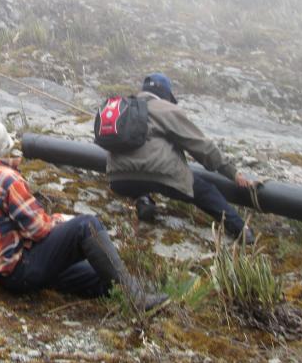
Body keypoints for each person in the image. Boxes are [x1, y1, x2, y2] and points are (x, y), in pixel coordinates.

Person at [0, 119, 167, 311]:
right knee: (87, 225)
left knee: (99, 274)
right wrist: (61, 220)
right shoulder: (7, 179)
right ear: (4, 147)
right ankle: (137, 300)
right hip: (22, 268)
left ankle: (134, 292)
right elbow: (39, 230)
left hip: (5, 274)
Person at [107, 73, 256, 244]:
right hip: (161, 174)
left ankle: (143, 201)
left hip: (117, 178)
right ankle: (241, 229)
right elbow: (201, 146)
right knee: (205, 191)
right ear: (166, 95)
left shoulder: (124, 107)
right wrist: (232, 172)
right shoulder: (167, 109)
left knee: (139, 176)